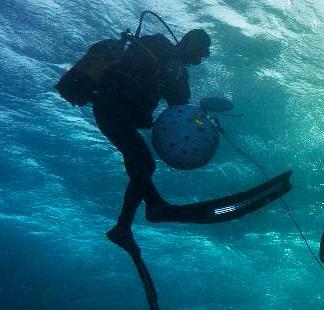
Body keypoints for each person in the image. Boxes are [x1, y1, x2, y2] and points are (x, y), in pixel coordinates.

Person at [88, 29, 292, 252]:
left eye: (205, 53)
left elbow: (182, 113)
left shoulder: (179, 79)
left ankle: (132, 222)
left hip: (120, 115)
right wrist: (167, 64)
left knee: (144, 161)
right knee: (142, 161)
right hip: (109, 106)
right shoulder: (157, 44)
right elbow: (131, 63)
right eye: (201, 49)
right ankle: (145, 215)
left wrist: (203, 120)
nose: (202, 57)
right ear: (188, 41)